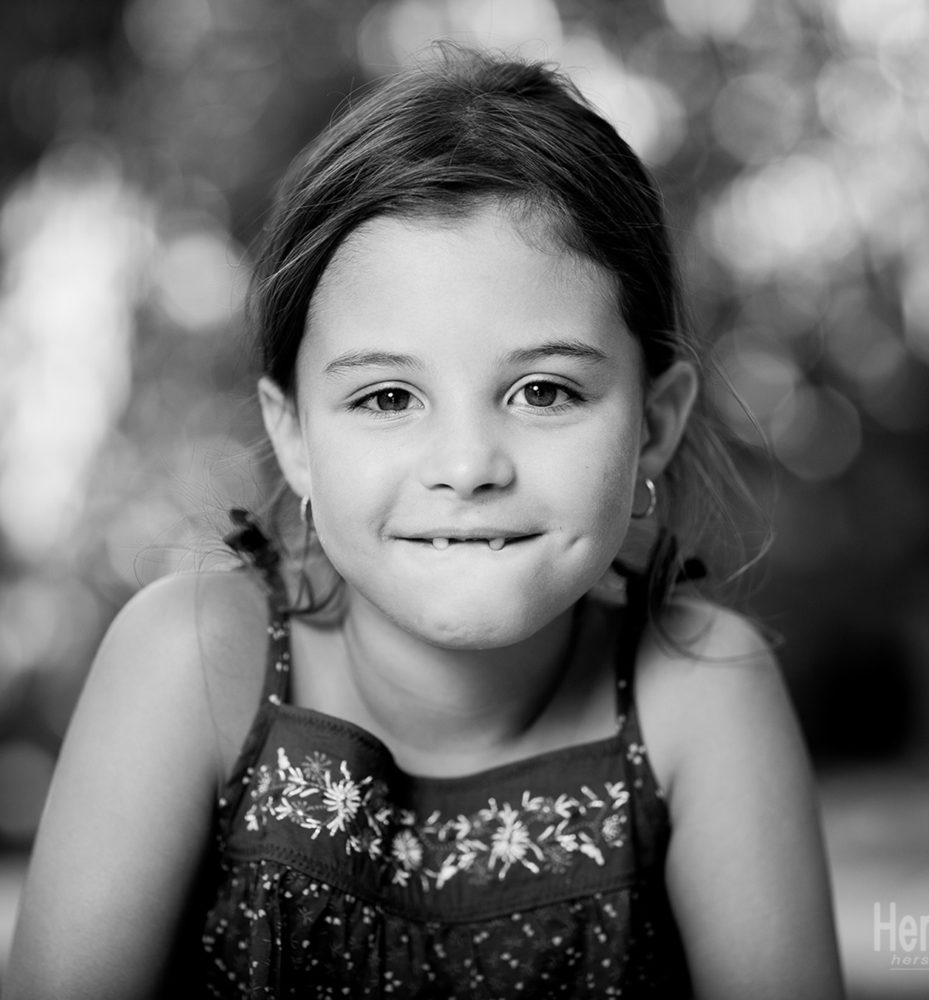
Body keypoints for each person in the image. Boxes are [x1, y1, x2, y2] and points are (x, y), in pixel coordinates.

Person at [6, 47, 844, 999]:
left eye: (543, 389)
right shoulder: (194, 662)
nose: (466, 466)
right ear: (296, 438)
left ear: (652, 424)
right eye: (388, 397)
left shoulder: (698, 694)